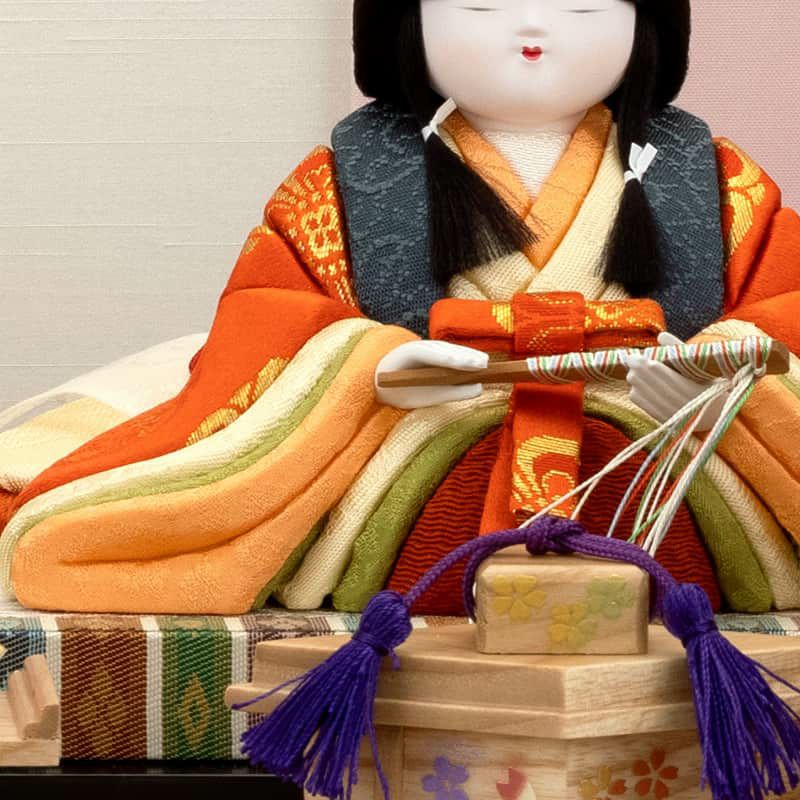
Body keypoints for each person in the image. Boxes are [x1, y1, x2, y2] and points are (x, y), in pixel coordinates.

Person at [2, 0, 799, 617]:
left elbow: (783, 312)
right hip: (415, 473)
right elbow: (268, 314)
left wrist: (722, 373)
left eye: (582, 3)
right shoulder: (342, 179)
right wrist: (372, 365)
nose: (533, 25)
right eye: (481, 2)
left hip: (658, 477)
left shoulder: (712, 177)